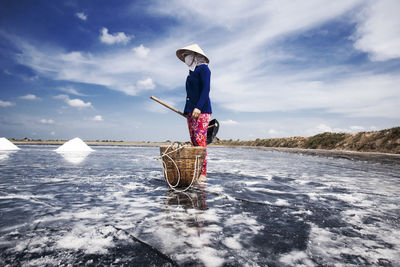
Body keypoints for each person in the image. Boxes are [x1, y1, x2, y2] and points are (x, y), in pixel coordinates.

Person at [176, 44, 212, 183]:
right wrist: (187, 111)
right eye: (184, 56)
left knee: (200, 140)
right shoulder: (191, 72)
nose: (185, 58)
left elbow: (206, 90)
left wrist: (198, 107)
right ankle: (194, 170)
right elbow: (189, 95)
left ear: (195, 55)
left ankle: (203, 173)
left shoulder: (204, 69)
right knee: (193, 140)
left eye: (187, 55)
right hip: (191, 111)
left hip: (202, 110)